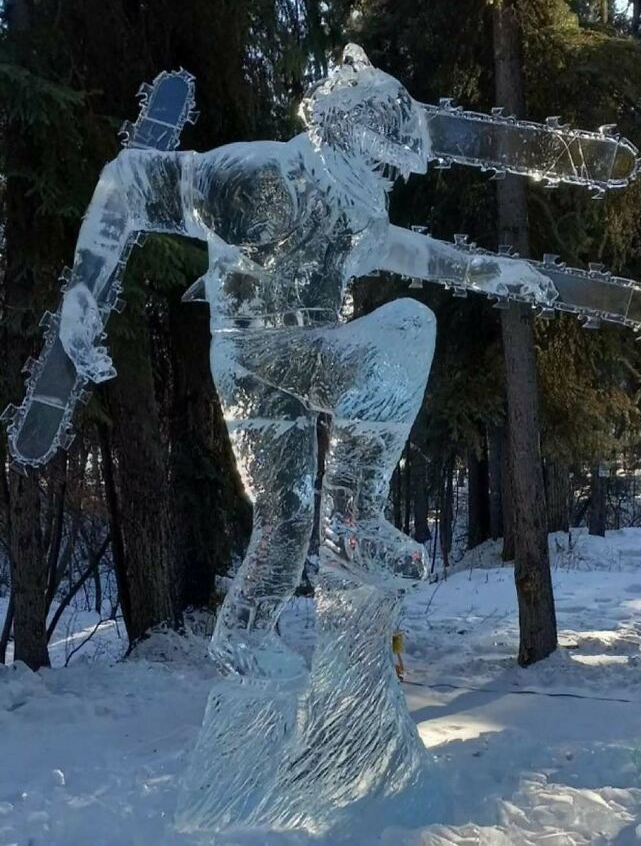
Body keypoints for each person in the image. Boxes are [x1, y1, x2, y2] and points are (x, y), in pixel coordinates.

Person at [59, 43, 556, 833]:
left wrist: (501, 273)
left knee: (285, 523)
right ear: (350, 134)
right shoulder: (263, 176)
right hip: (267, 351)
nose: (390, 179)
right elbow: (129, 180)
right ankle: (354, 517)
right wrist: (81, 302)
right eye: (385, 158)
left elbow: (420, 252)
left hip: (263, 363)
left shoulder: (352, 206)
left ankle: (246, 631)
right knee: (406, 332)